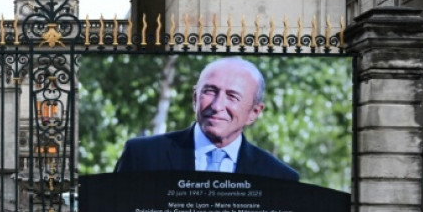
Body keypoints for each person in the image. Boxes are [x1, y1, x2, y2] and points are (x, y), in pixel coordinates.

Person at [114, 56, 298, 181]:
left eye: (232, 96)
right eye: (210, 91)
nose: (217, 106)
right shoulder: (142, 156)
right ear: (195, 98)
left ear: (254, 112)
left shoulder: (279, 178)